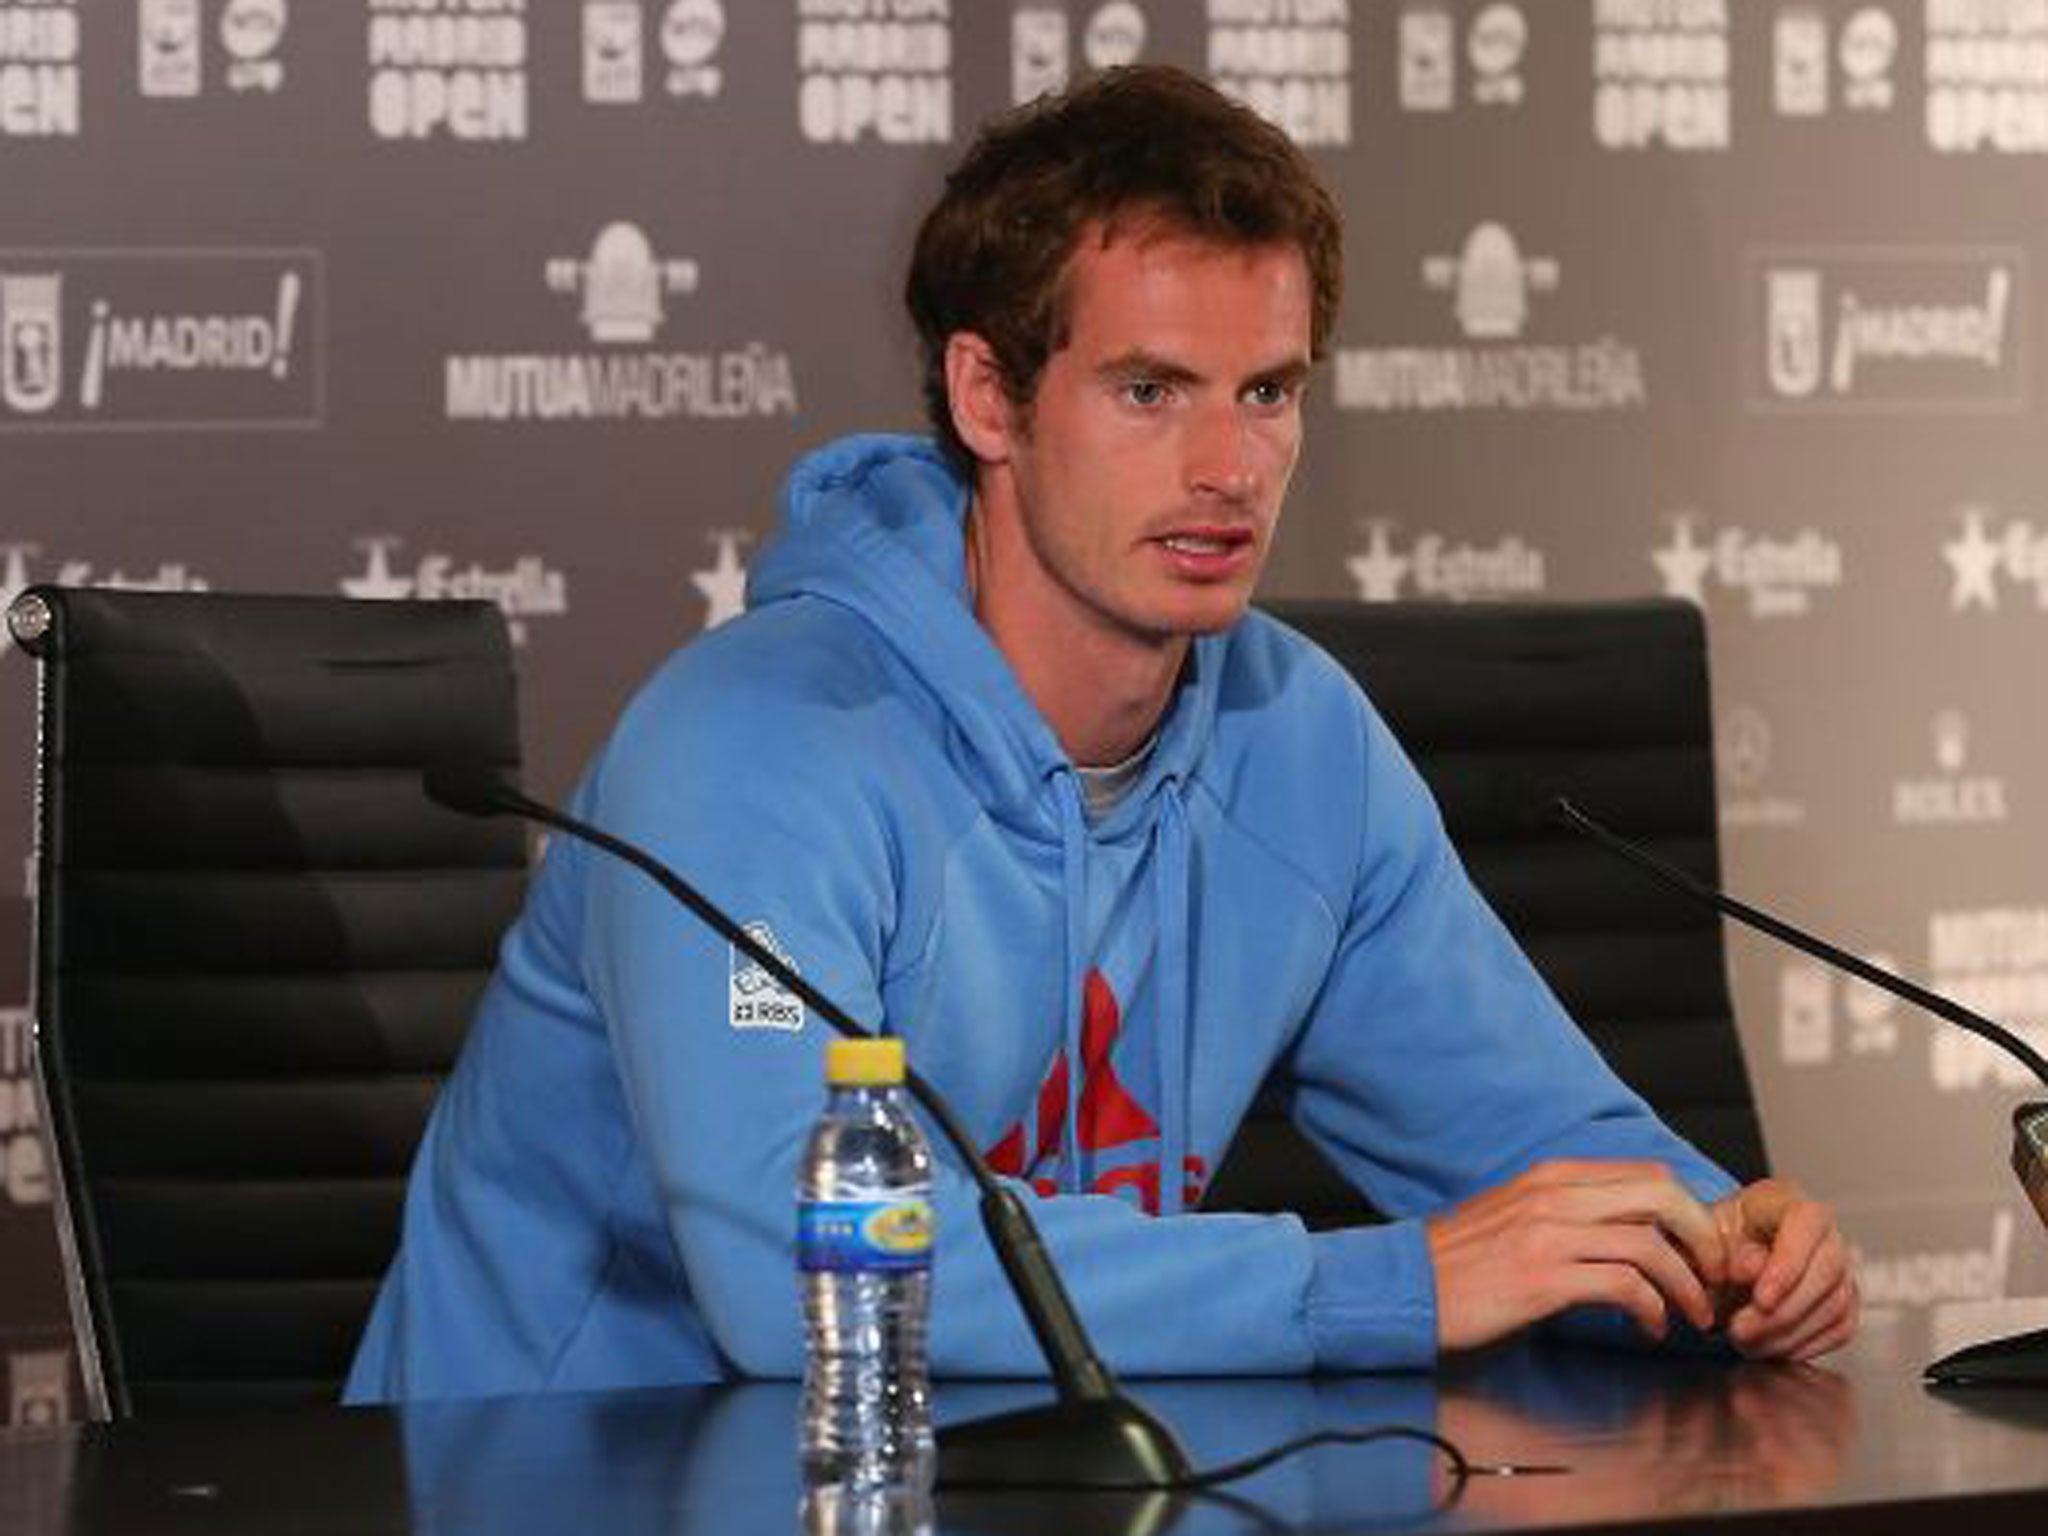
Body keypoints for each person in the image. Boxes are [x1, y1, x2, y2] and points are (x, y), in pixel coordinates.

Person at [346, 67, 1855, 1403]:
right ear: (988, 396)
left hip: (995, 1477)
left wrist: (1727, 1248)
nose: (1229, 468)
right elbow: (796, 1271)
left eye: (1268, 392)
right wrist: (1384, 1285)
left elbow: (1534, 1145)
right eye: (1151, 392)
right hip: (556, 1479)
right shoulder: (753, 746)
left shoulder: (1296, 739)